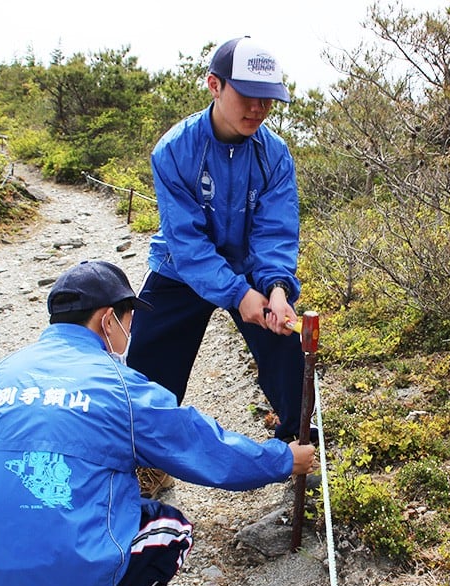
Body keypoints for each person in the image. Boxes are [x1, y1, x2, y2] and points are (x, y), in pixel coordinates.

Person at [0, 260, 317, 586]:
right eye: (129, 319)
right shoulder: (120, 387)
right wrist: (283, 460)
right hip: (75, 576)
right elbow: (202, 447)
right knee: (172, 530)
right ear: (107, 320)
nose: (131, 331)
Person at [126, 36, 313, 445]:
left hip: (251, 268)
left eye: (267, 99)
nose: (257, 108)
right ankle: (147, 456)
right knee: (146, 367)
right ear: (215, 85)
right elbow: (187, 242)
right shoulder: (175, 150)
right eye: (247, 95)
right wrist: (236, 294)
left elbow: (275, 232)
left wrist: (276, 289)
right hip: (180, 269)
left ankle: (297, 449)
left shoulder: (275, 155)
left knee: (288, 349)